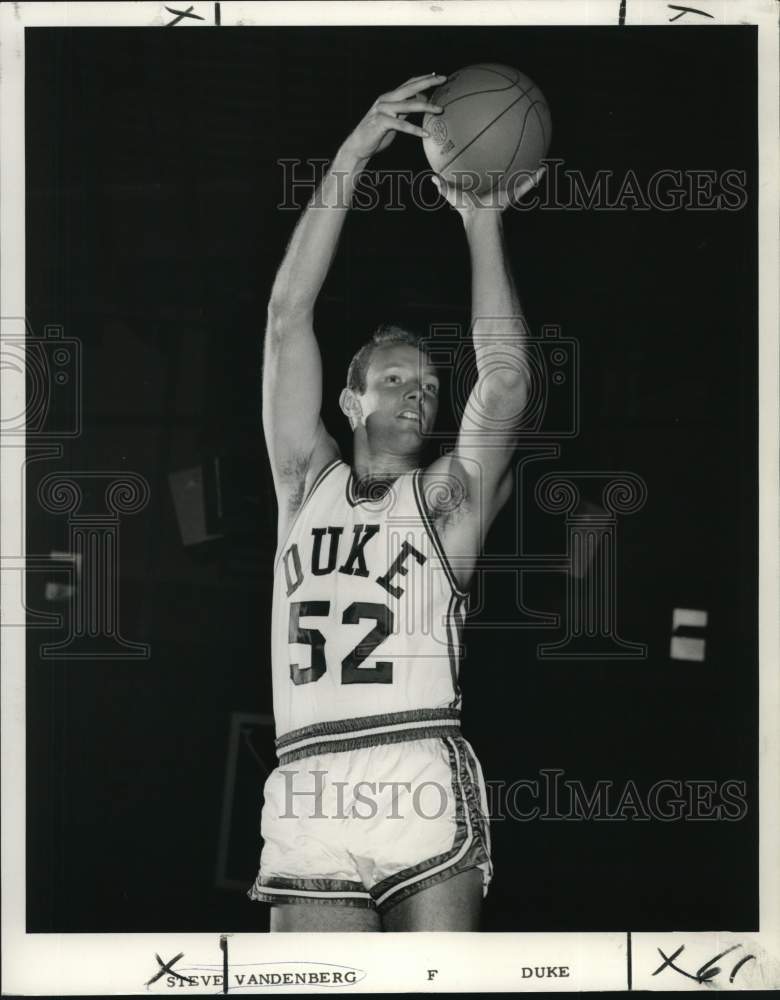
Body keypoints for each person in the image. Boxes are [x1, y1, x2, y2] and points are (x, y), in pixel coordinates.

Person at [249, 73, 544, 931]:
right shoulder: (305, 482)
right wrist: (355, 152)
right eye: (395, 378)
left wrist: (481, 220)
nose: (419, 393)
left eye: (427, 383)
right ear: (350, 402)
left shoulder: (446, 500)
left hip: (414, 764)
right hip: (307, 779)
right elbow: (286, 315)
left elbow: (508, 383)